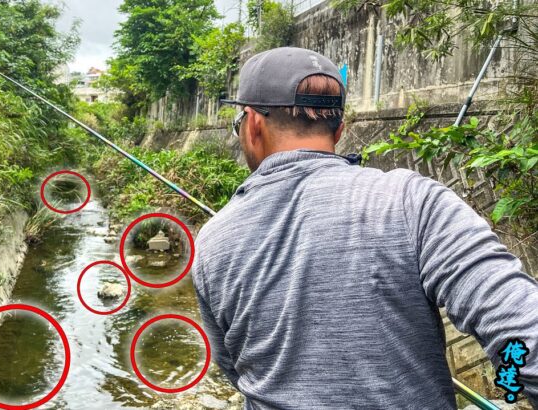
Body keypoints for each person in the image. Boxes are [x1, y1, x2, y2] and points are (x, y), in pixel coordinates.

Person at [191, 47, 538, 409]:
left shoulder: (214, 239)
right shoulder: (412, 200)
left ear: (253, 124)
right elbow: (524, 333)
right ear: (339, 130)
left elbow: (238, 370)